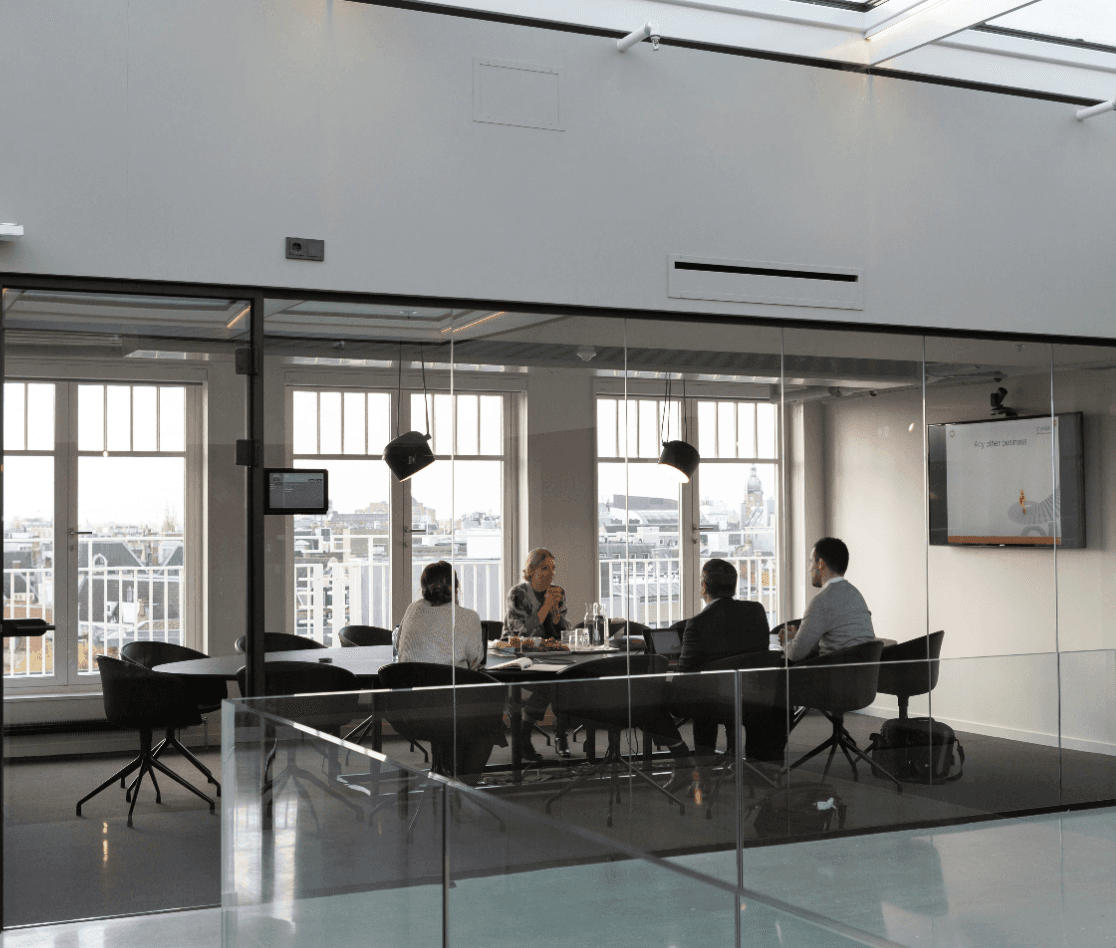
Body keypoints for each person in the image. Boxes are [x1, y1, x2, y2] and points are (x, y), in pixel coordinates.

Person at [675, 559, 773, 770]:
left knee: (701, 697)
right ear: (734, 586)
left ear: (704, 586)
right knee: (711, 691)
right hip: (755, 699)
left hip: (716, 705)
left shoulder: (698, 624)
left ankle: (702, 770)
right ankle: (742, 763)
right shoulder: (756, 611)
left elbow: (685, 676)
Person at [503, 549, 570, 761]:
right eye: (544, 568)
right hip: (518, 656)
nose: (551, 573)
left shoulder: (557, 591)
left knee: (566, 678)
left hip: (547, 656)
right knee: (552, 683)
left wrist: (556, 611)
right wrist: (546, 607)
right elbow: (523, 632)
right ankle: (525, 735)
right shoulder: (518, 594)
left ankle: (558, 735)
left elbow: (562, 632)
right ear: (530, 570)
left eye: (553, 568)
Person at [780, 537, 875, 662]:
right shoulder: (856, 595)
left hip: (832, 677)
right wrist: (801, 636)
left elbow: (795, 654)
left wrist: (787, 640)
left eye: (811, 562)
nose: (809, 569)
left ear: (820, 564)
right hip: (864, 677)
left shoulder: (821, 602)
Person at [397, 560, 484, 669]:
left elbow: (398, 646)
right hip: (452, 684)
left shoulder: (412, 609)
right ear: (456, 588)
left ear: (424, 589)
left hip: (410, 683)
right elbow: (476, 661)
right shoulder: (469, 617)